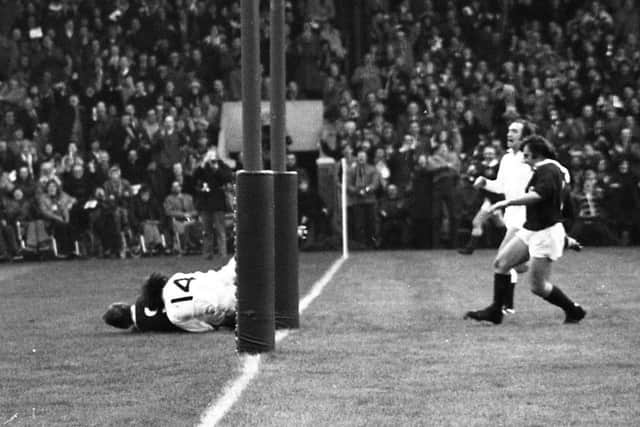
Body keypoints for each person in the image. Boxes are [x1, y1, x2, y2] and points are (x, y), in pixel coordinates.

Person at [465, 136, 586, 325]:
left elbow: (538, 195)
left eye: (527, 155)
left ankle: (573, 310)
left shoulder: (548, 170)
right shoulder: (552, 169)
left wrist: (507, 202)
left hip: (545, 233)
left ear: (538, 154)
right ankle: (496, 311)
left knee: (538, 287)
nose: (524, 159)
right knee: (501, 263)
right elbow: (564, 203)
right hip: (533, 228)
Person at [458, 120, 534, 313]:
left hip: (526, 218)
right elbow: (500, 186)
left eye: (515, 131)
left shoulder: (531, 159)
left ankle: (501, 307)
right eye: (509, 130)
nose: (509, 134)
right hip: (512, 217)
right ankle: (506, 305)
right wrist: (485, 182)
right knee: (513, 264)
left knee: (503, 261)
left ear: (524, 136)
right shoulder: (507, 159)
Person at [103, 257, 237, 333]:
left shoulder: (172, 315)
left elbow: (204, 327)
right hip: (221, 277)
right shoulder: (174, 279)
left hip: (224, 300)